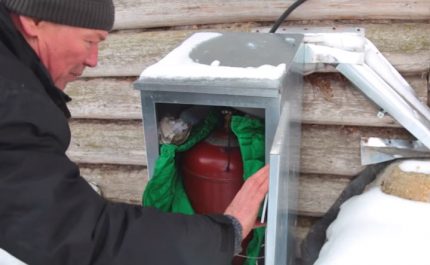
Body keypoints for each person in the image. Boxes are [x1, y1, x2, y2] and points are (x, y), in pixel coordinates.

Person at [0, 0, 269, 264]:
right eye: (89, 41)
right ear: (34, 21)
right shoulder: (11, 103)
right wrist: (226, 232)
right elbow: (85, 237)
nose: (93, 60)